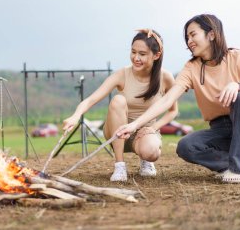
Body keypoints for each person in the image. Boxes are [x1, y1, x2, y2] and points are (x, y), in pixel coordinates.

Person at [116, 14, 240, 183]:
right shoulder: (191, 68)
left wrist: (238, 86)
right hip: (221, 129)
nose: (189, 41)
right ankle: (233, 162)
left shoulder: (239, 57)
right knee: (186, 146)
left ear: (211, 34)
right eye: (187, 37)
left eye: (193, 34)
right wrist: (134, 125)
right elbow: (167, 100)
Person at [63, 29, 178, 182]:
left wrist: (153, 128)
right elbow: (91, 100)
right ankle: (119, 165)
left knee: (151, 152)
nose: (136, 58)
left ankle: (146, 160)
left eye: (142, 54)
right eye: (133, 52)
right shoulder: (122, 74)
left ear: (156, 55)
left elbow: (173, 111)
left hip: (144, 132)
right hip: (117, 132)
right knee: (118, 100)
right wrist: (75, 116)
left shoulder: (166, 77)